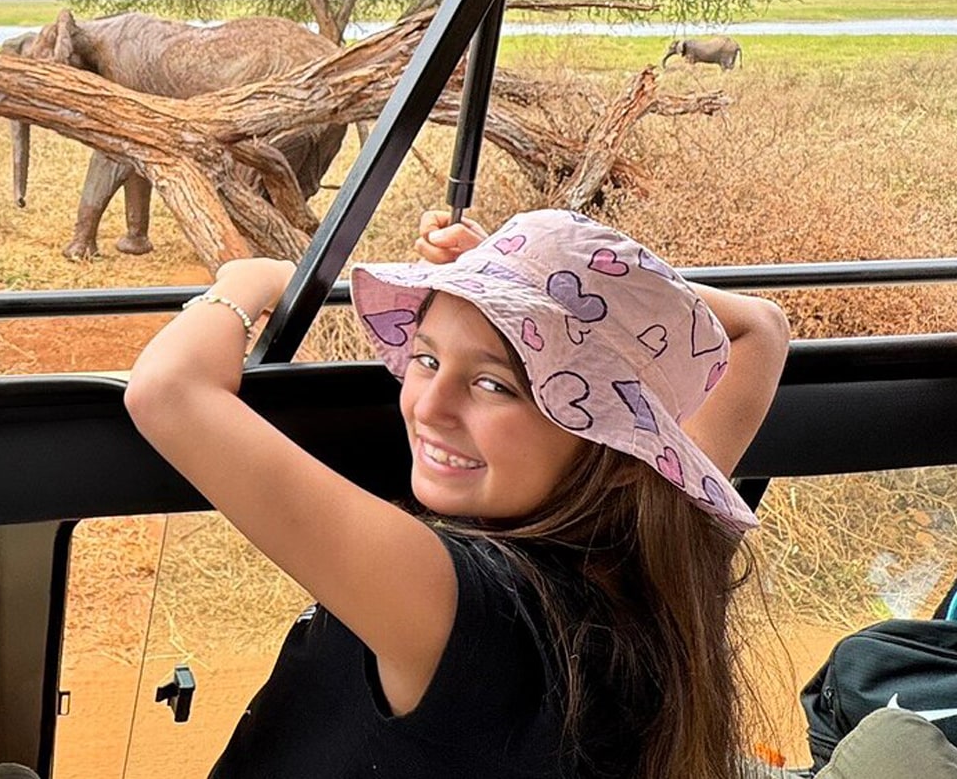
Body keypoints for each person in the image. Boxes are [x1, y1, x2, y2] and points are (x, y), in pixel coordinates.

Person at [120, 209, 791, 779]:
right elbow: (761, 328)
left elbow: (169, 391)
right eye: (427, 358)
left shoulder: (455, 603)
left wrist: (246, 284)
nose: (428, 406)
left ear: (618, 448)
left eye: (494, 385)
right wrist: (526, 271)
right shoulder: (660, 537)